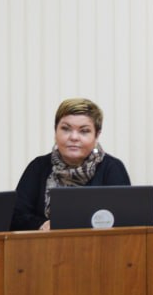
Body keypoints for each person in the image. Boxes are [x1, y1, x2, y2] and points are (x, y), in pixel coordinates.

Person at [12, 97, 131, 231]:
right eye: (66, 129)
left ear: (96, 135)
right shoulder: (38, 167)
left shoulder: (112, 168)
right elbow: (15, 217)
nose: (74, 137)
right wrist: (41, 224)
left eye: (84, 131)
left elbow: (126, 221)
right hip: (46, 243)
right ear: (55, 131)